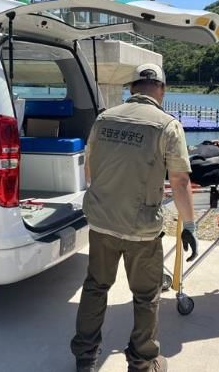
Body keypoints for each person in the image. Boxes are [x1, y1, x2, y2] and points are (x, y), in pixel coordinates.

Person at [71, 63, 198, 372]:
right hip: (141, 229)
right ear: (162, 89)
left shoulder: (104, 118)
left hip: (101, 222)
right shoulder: (168, 126)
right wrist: (189, 224)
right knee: (145, 295)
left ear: (131, 88)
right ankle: (142, 363)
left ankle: (85, 358)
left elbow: (89, 167)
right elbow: (180, 180)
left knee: (96, 286)